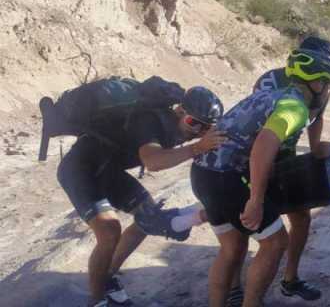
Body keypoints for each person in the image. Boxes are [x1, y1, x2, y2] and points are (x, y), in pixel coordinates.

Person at [190, 44, 330, 307]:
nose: (329, 89)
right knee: (274, 243)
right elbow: (264, 146)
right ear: (316, 84)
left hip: (202, 173)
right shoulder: (295, 107)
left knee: (232, 247)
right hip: (226, 176)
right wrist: (256, 199)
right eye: (327, 83)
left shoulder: (276, 94)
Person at [57, 86, 226, 307]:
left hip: (108, 169)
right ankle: (97, 301)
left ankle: (107, 277)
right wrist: (198, 147)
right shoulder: (149, 120)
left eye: (204, 129)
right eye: (194, 124)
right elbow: (153, 161)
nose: (196, 132)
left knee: (149, 219)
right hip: (80, 168)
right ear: (179, 111)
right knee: (109, 231)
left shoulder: (179, 125)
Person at [248, 36, 330, 302]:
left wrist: (313, 150)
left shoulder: (323, 88)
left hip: (286, 154)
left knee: (301, 218)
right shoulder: (269, 81)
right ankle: (233, 289)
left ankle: (291, 278)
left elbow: (316, 119)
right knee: (244, 223)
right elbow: (253, 123)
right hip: (254, 153)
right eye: (326, 77)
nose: (329, 84)